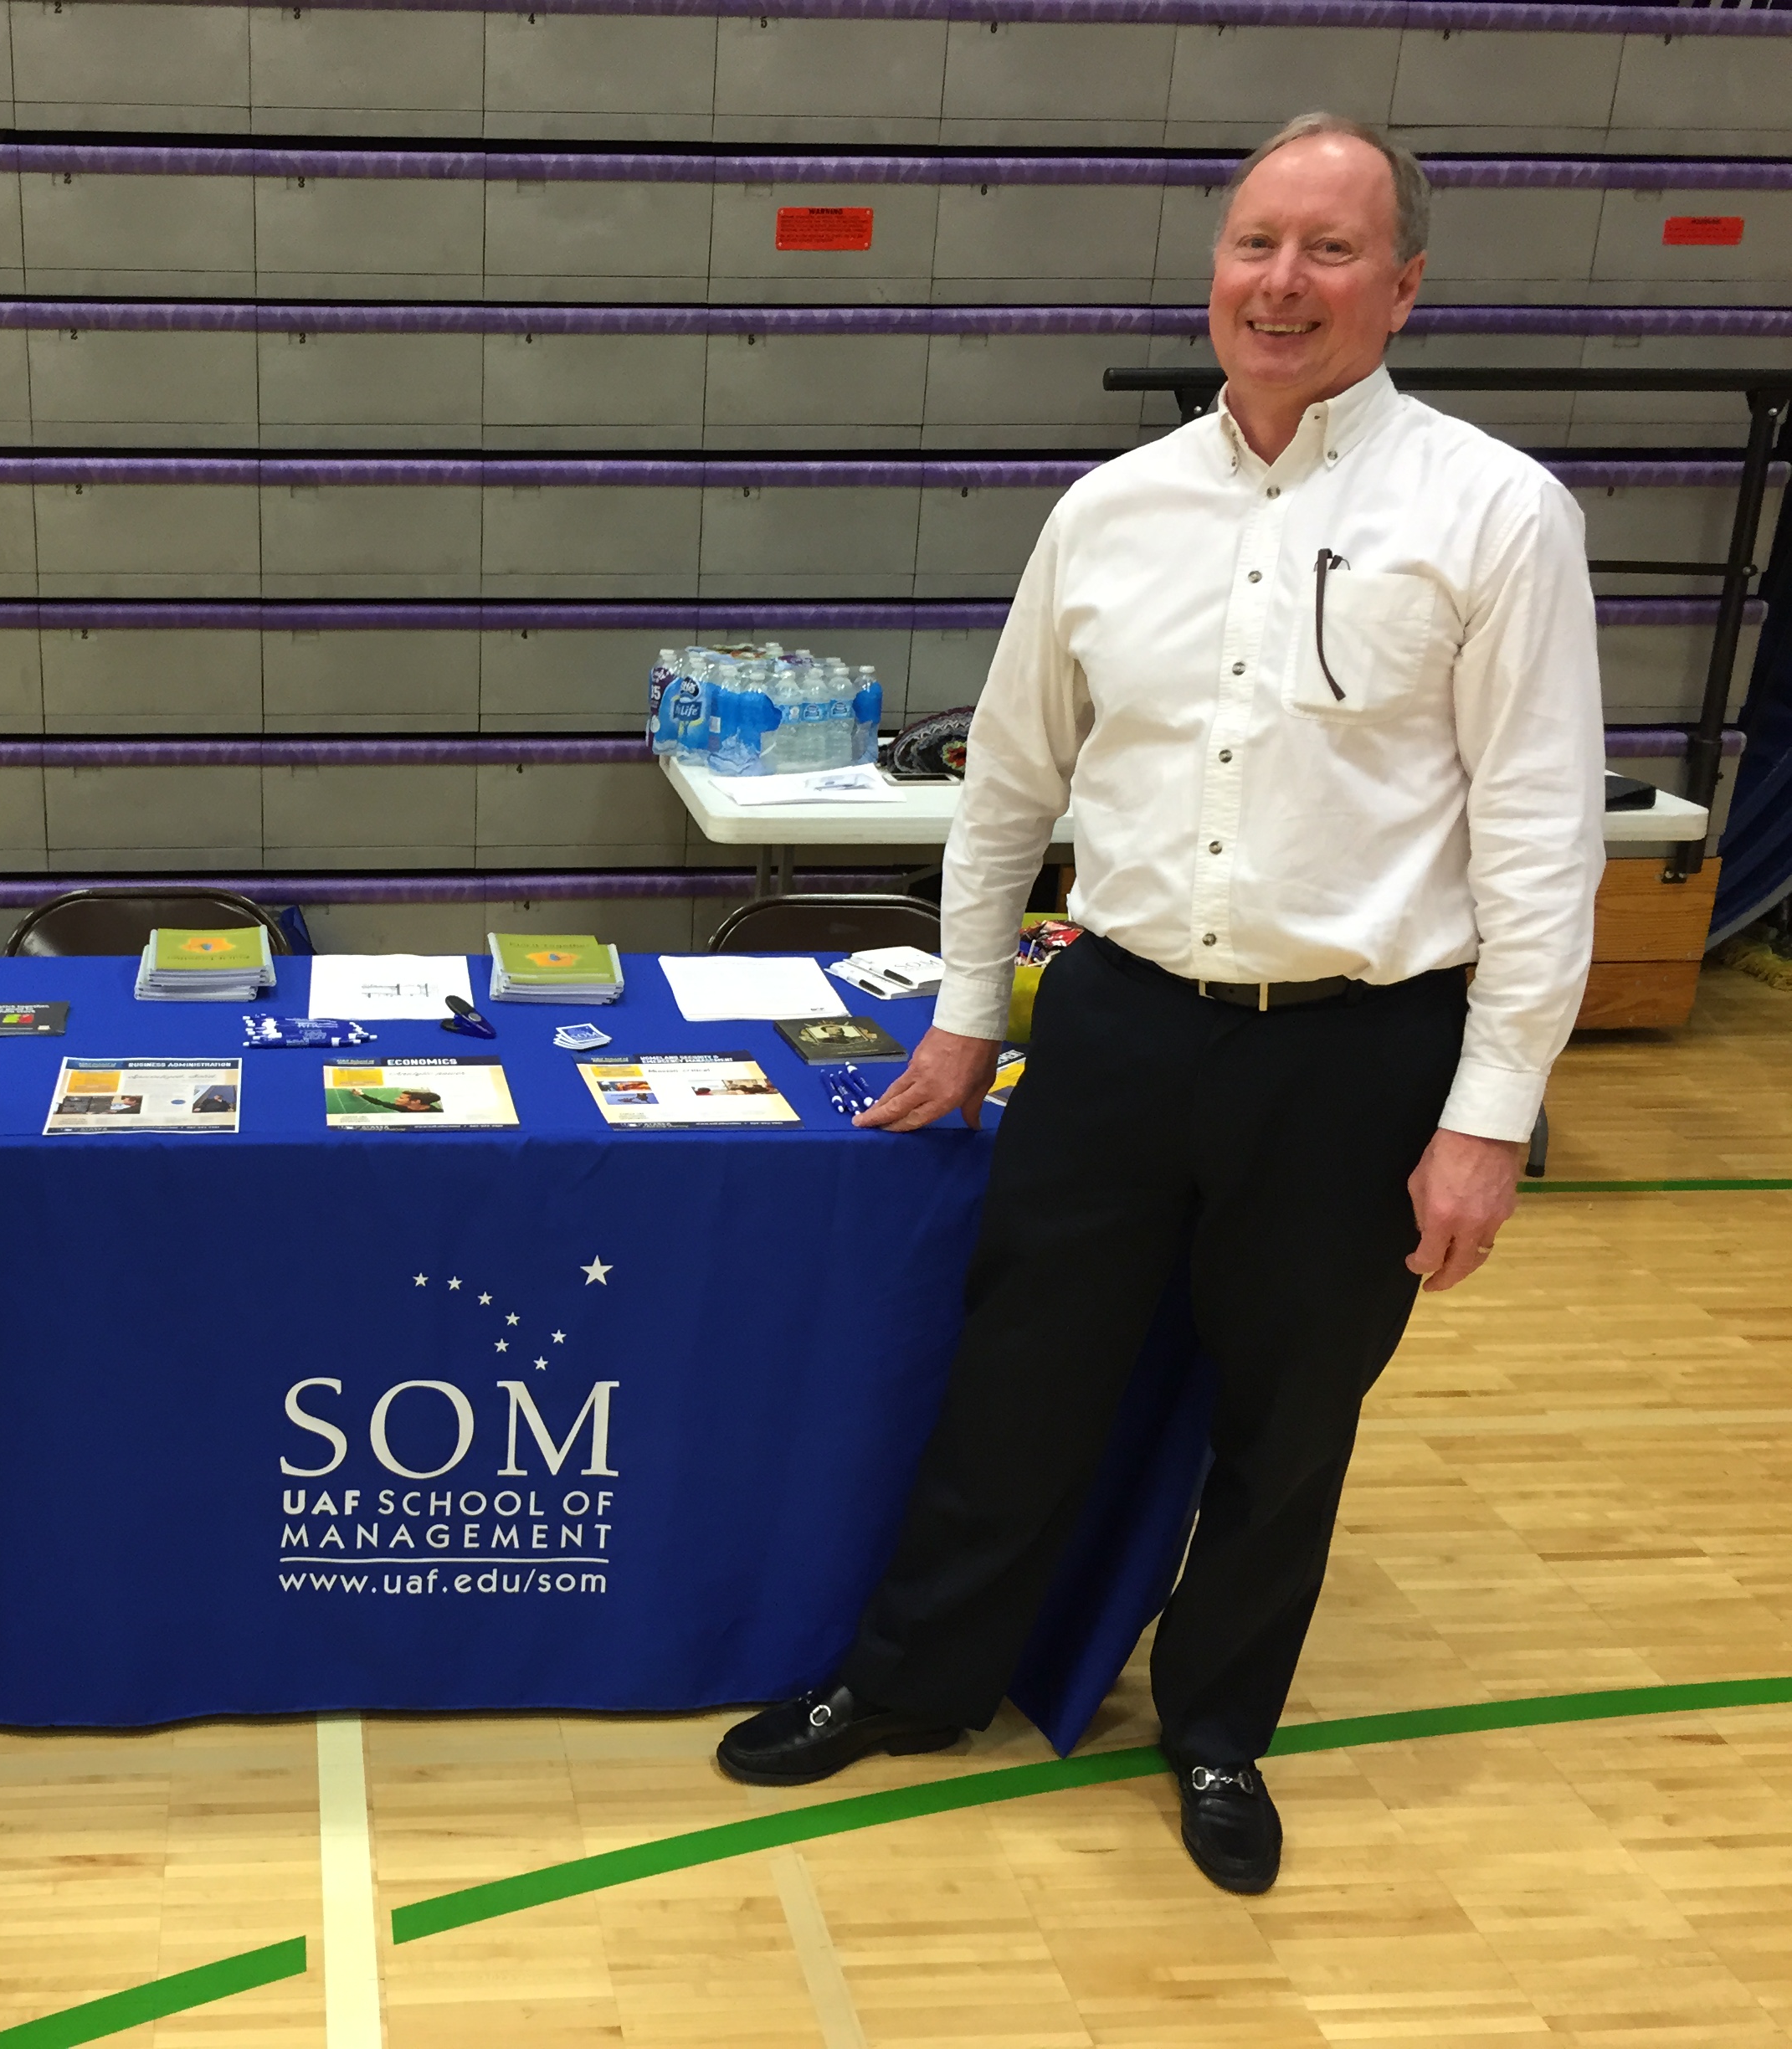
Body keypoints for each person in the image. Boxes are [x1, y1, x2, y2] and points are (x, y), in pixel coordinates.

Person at [716, 115, 1602, 1897]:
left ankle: (1215, 1727)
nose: (1283, 284)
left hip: (1358, 1056)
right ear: (1217, 271)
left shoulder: (1497, 514)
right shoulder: (1110, 514)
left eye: (1331, 251)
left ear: (1405, 285)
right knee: (1018, 1381)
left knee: (1288, 1426)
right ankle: (915, 1684)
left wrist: (1489, 1117)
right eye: (1257, 245)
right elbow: (1007, 789)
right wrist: (971, 1014)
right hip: (1114, 1023)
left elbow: (1539, 837)